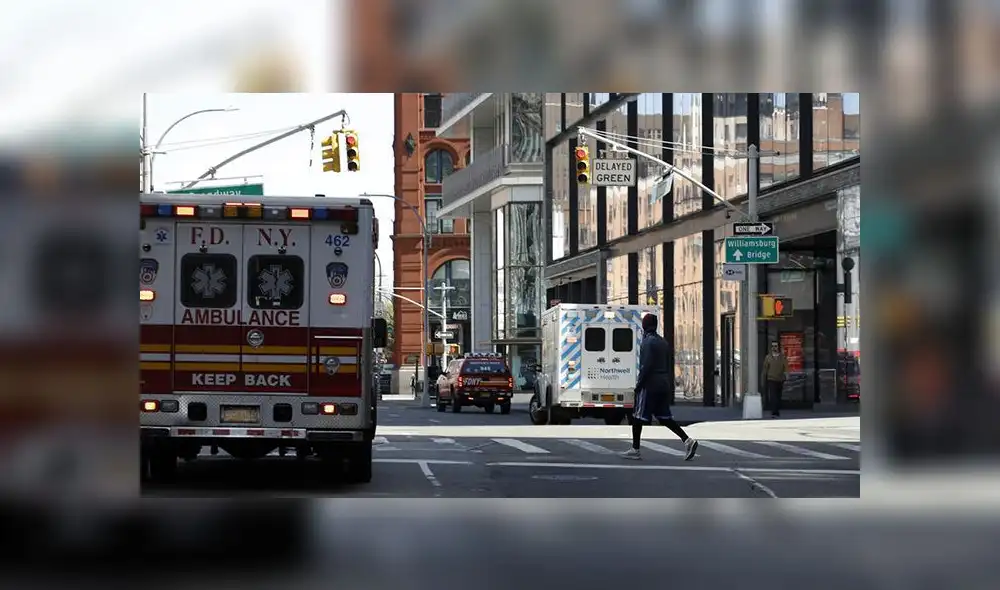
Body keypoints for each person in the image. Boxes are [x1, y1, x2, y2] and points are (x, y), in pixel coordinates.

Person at [622, 313, 699, 461]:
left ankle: (635, 449)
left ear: (645, 325)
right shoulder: (663, 342)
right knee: (664, 417)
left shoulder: (647, 342)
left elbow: (646, 366)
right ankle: (688, 440)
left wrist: (639, 385)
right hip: (663, 384)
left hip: (650, 384)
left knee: (637, 416)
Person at [762, 341, 789, 417]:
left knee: (778, 396)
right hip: (771, 379)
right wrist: (763, 378)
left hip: (780, 379)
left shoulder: (782, 357)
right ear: (771, 348)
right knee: (773, 396)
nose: (774, 348)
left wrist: (787, 376)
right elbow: (765, 368)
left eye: (776, 346)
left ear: (778, 347)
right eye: (773, 346)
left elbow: (786, 367)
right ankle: (774, 412)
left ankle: (777, 409)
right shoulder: (768, 357)